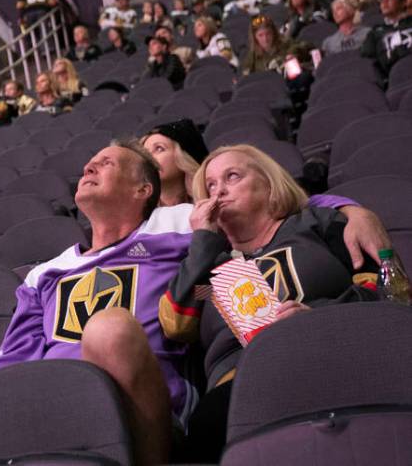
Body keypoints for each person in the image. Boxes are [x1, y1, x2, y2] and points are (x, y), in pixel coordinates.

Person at [0, 141, 389, 466]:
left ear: (143, 191)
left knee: (108, 327)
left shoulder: (180, 225)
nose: (89, 167)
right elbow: (15, 361)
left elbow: (265, 210)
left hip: (134, 411)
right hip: (40, 406)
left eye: (106, 163)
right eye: (88, 163)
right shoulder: (45, 272)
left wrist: (349, 208)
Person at [161, 145, 382, 462]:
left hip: (332, 354)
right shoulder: (208, 265)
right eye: (210, 186)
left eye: (232, 176)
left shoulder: (314, 224)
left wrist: (320, 317)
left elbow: (387, 291)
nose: (219, 190)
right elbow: (177, 323)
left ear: (269, 182)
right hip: (240, 385)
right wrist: (204, 241)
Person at [141, 119, 208, 206]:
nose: (148, 157)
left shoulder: (212, 206)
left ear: (184, 157)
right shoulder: (137, 215)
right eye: (145, 153)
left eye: (159, 148)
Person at [360, 0, 412, 76]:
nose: (384, 2)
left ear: (403, 2)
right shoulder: (375, 32)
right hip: (395, 78)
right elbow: (368, 60)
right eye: (382, 0)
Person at [241, 15, 311, 76]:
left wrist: (292, 54)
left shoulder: (285, 44)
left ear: (273, 33)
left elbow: (307, 46)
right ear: (255, 38)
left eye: (268, 34)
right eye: (260, 35)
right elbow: (246, 77)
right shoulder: (252, 57)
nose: (265, 39)